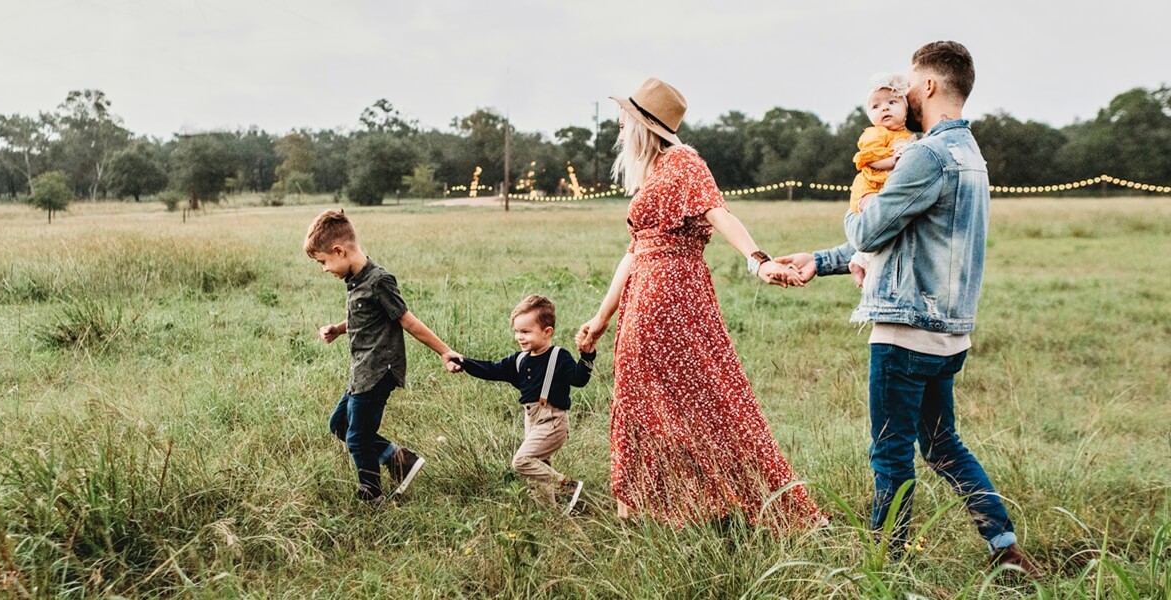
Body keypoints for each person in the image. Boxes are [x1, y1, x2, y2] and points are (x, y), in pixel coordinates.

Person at [775, 41, 1042, 576]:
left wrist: (861, 205)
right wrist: (822, 260)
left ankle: (886, 565)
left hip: (905, 331)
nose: (903, 95)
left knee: (889, 451)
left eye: (909, 85)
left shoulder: (925, 154)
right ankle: (1005, 548)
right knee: (943, 444)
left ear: (930, 86)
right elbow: (906, 238)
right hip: (949, 333)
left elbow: (872, 228)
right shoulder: (970, 155)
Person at [574, 77, 823, 528]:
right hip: (645, 293)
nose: (617, 128)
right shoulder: (653, 172)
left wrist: (758, 260)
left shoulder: (683, 163)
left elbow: (719, 212)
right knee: (646, 399)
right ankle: (648, 507)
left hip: (670, 294)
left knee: (701, 398)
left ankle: (725, 502)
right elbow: (633, 252)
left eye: (623, 120)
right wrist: (601, 317)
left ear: (644, 125)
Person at [305, 209, 463, 505]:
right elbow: (365, 318)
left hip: (378, 371)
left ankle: (372, 495)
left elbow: (407, 321)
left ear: (339, 251)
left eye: (323, 262)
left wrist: (445, 351)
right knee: (339, 424)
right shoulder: (355, 280)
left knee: (357, 437)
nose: (324, 269)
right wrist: (339, 329)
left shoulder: (379, 280)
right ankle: (399, 460)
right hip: (361, 371)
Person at [450, 294, 593, 513]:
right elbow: (491, 369)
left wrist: (587, 356)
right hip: (532, 421)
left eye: (526, 332)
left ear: (547, 332)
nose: (520, 337)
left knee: (522, 461)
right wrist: (464, 363)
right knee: (537, 472)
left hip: (553, 421)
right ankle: (549, 516)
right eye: (517, 331)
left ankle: (566, 486)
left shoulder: (559, 357)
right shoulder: (519, 360)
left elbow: (579, 379)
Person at [847, 72, 915, 287]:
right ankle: (861, 261)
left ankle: (860, 260)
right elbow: (869, 158)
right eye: (876, 106)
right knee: (876, 218)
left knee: (888, 226)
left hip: (884, 188)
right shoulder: (876, 133)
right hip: (869, 187)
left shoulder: (908, 136)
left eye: (892, 102)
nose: (884, 108)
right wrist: (892, 161)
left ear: (906, 109)